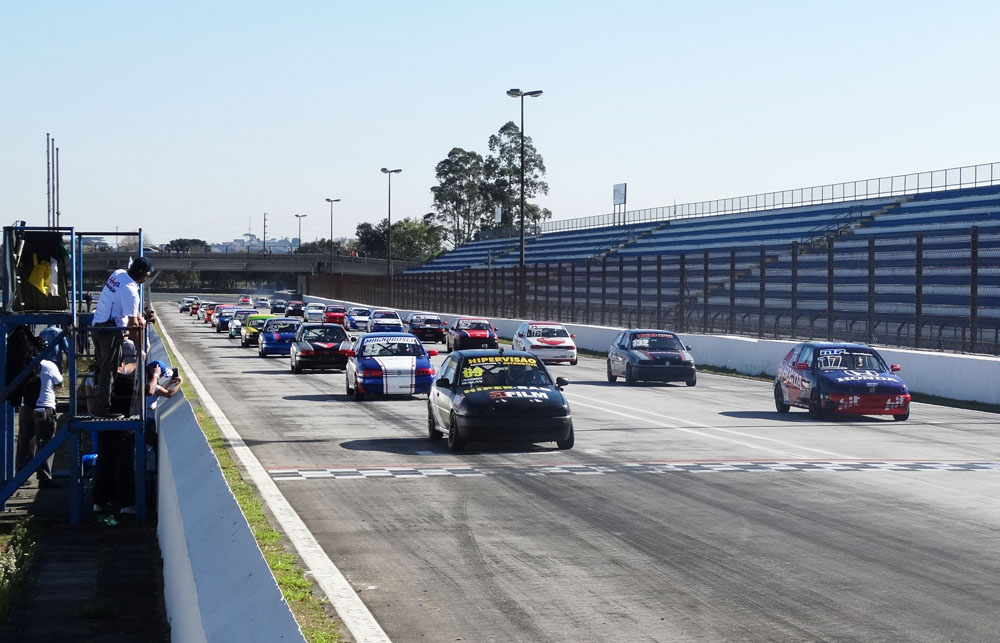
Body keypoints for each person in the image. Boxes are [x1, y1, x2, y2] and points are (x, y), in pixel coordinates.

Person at [91, 256, 152, 419]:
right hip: (109, 331)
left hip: (97, 325)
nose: (147, 278)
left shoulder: (118, 274)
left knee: (106, 368)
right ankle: (101, 411)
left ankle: (101, 404)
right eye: (147, 274)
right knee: (108, 372)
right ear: (142, 274)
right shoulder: (131, 291)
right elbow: (132, 327)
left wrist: (138, 315)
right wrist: (140, 350)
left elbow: (125, 306)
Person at [16, 347, 63, 488]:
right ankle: (44, 477)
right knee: (45, 443)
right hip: (44, 408)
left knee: (24, 443)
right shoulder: (49, 365)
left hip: (25, 407)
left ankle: (21, 477)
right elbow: (59, 384)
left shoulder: (23, 366)